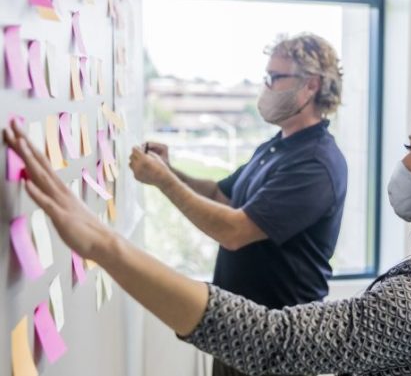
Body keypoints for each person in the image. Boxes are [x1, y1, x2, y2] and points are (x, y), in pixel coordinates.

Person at [5, 88, 411, 375]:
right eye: (409, 144)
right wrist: (169, 175)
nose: (404, 162)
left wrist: (105, 245)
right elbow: (226, 191)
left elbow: (272, 335)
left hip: (269, 321)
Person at [128, 33, 348, 375]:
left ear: (311, 86)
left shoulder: (315, 164)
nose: (267, 86)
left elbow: (234, 231)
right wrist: (169, 170)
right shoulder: (277, 146)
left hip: (279, 342)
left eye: (276, 78)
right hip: (240, 331)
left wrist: (162, 180)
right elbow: (221, 195)